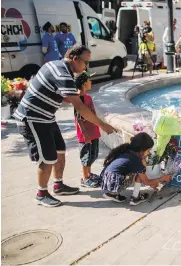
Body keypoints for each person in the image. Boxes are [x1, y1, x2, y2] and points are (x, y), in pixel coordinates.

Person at [14, 44, 116, 207]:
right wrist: (102, 125)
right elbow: (79, 107)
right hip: (32, 118)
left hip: (46, 116)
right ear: (75, 59)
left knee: (60, 150)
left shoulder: (59, 67)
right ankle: (41, 193)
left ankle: (58, 185)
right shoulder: (63, 74)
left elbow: (65, 96)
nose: (86, 67)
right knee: (47, 158)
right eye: (85, 62)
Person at [100, 132, 172, 204]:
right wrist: (162, 178)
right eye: (148, 150)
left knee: (136, 171)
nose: (148, 153)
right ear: (142, 150)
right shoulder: (136, 160)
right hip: (114, 182)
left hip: (105, 180)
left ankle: (112, 193)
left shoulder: (126, 150)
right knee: (139, 174)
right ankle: (135, 197)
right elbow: (146, 181)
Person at [74, 71, 100, 188]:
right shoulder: (79, 98)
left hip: (93, 131)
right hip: (86, 134)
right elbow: (79, 119)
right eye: (89, 80)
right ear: (84, 83)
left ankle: (89, 174)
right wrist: (85, 134)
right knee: (86, 156)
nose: (91, 82)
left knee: (93, 155)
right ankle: (84, 178)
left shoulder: (88, 97)